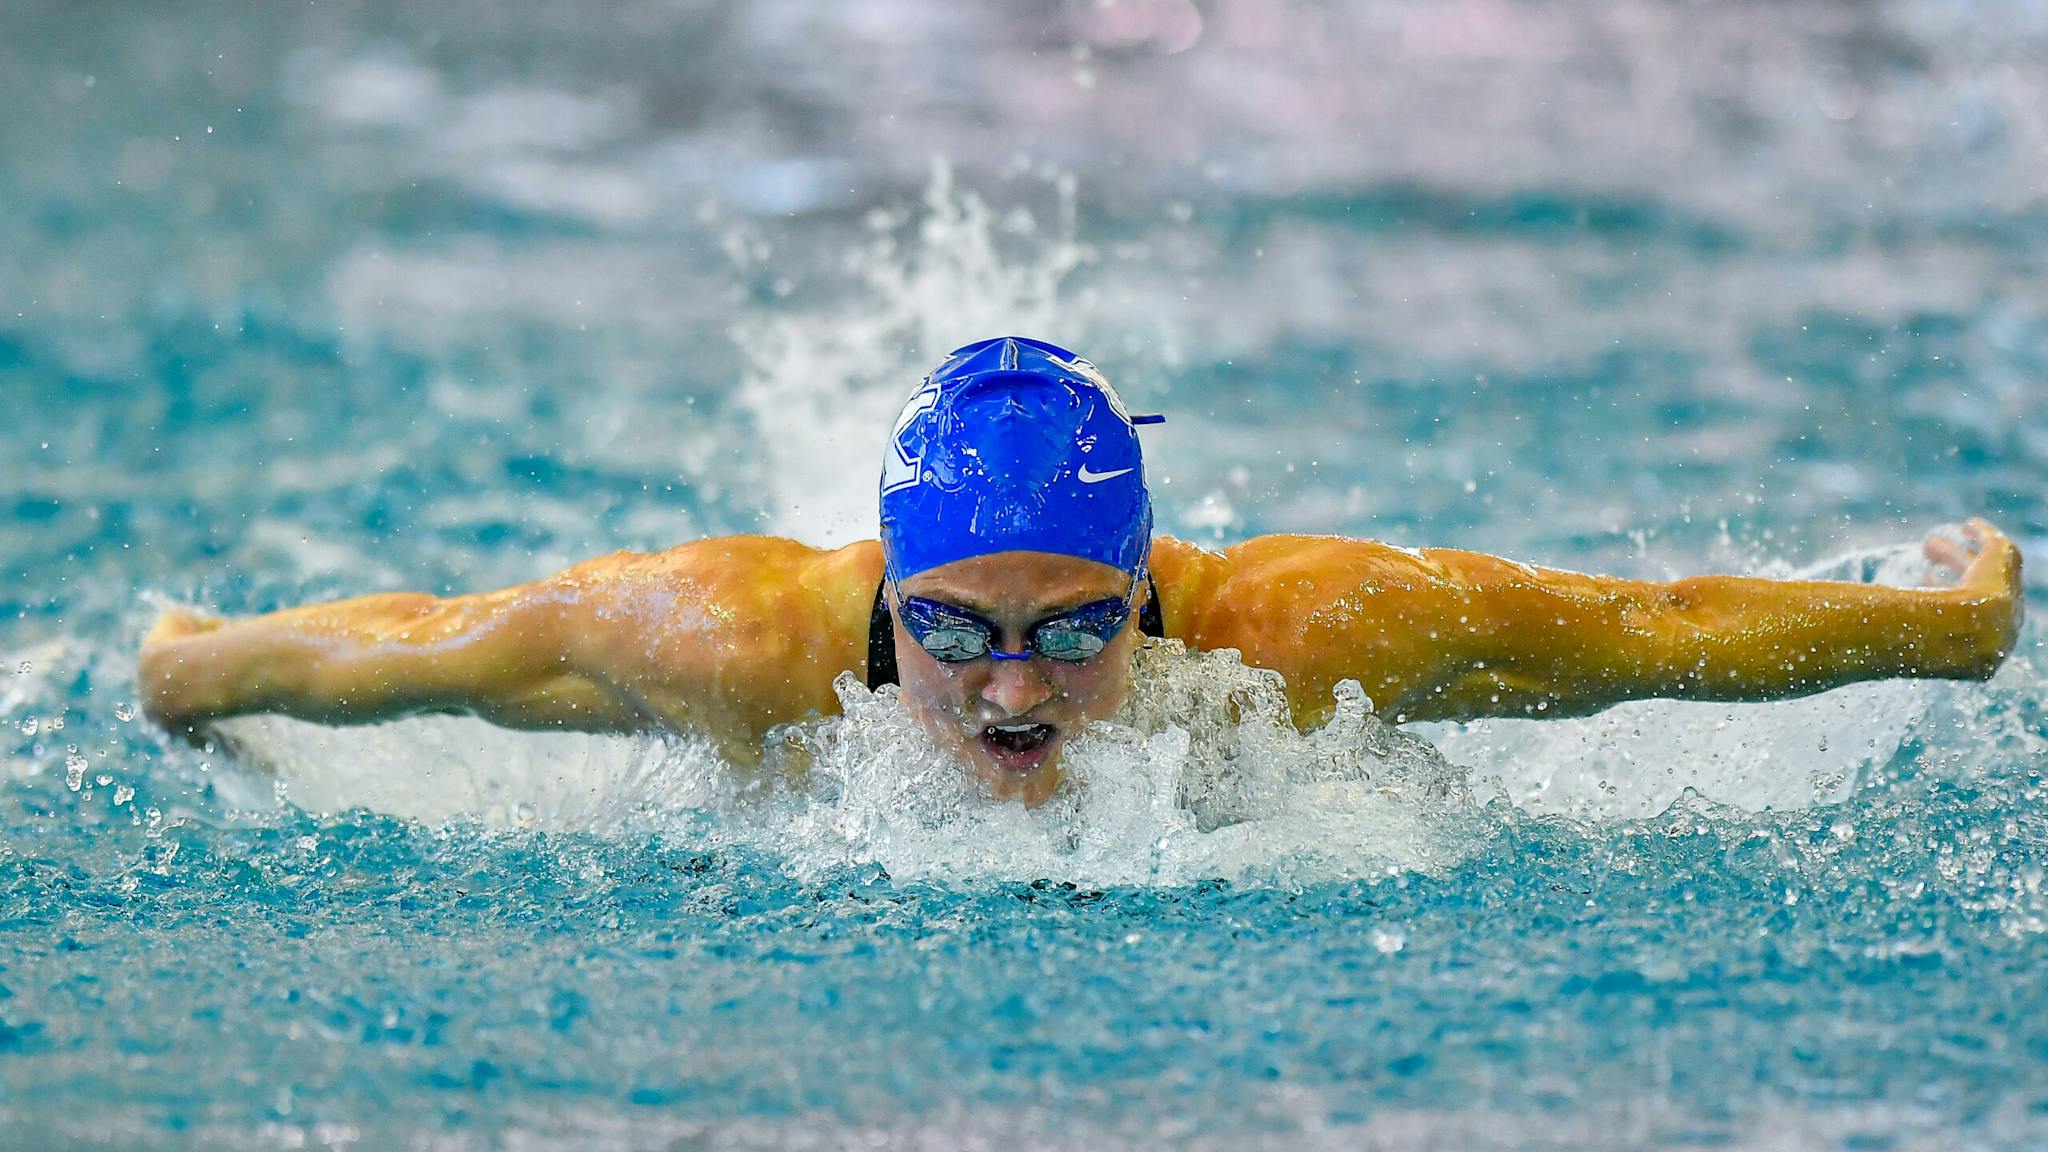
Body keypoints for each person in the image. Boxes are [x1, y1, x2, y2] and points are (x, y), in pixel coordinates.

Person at [139, 337, 2025, 807]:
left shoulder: (1295, 631)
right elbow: (444, 650)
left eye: (1074, 632)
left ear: (1157, 591)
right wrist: (200, 673)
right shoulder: (740, 639)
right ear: (887, 594)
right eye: (953, 633)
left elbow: (1641, 636)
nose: (1016, 692)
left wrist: (1954, 631)